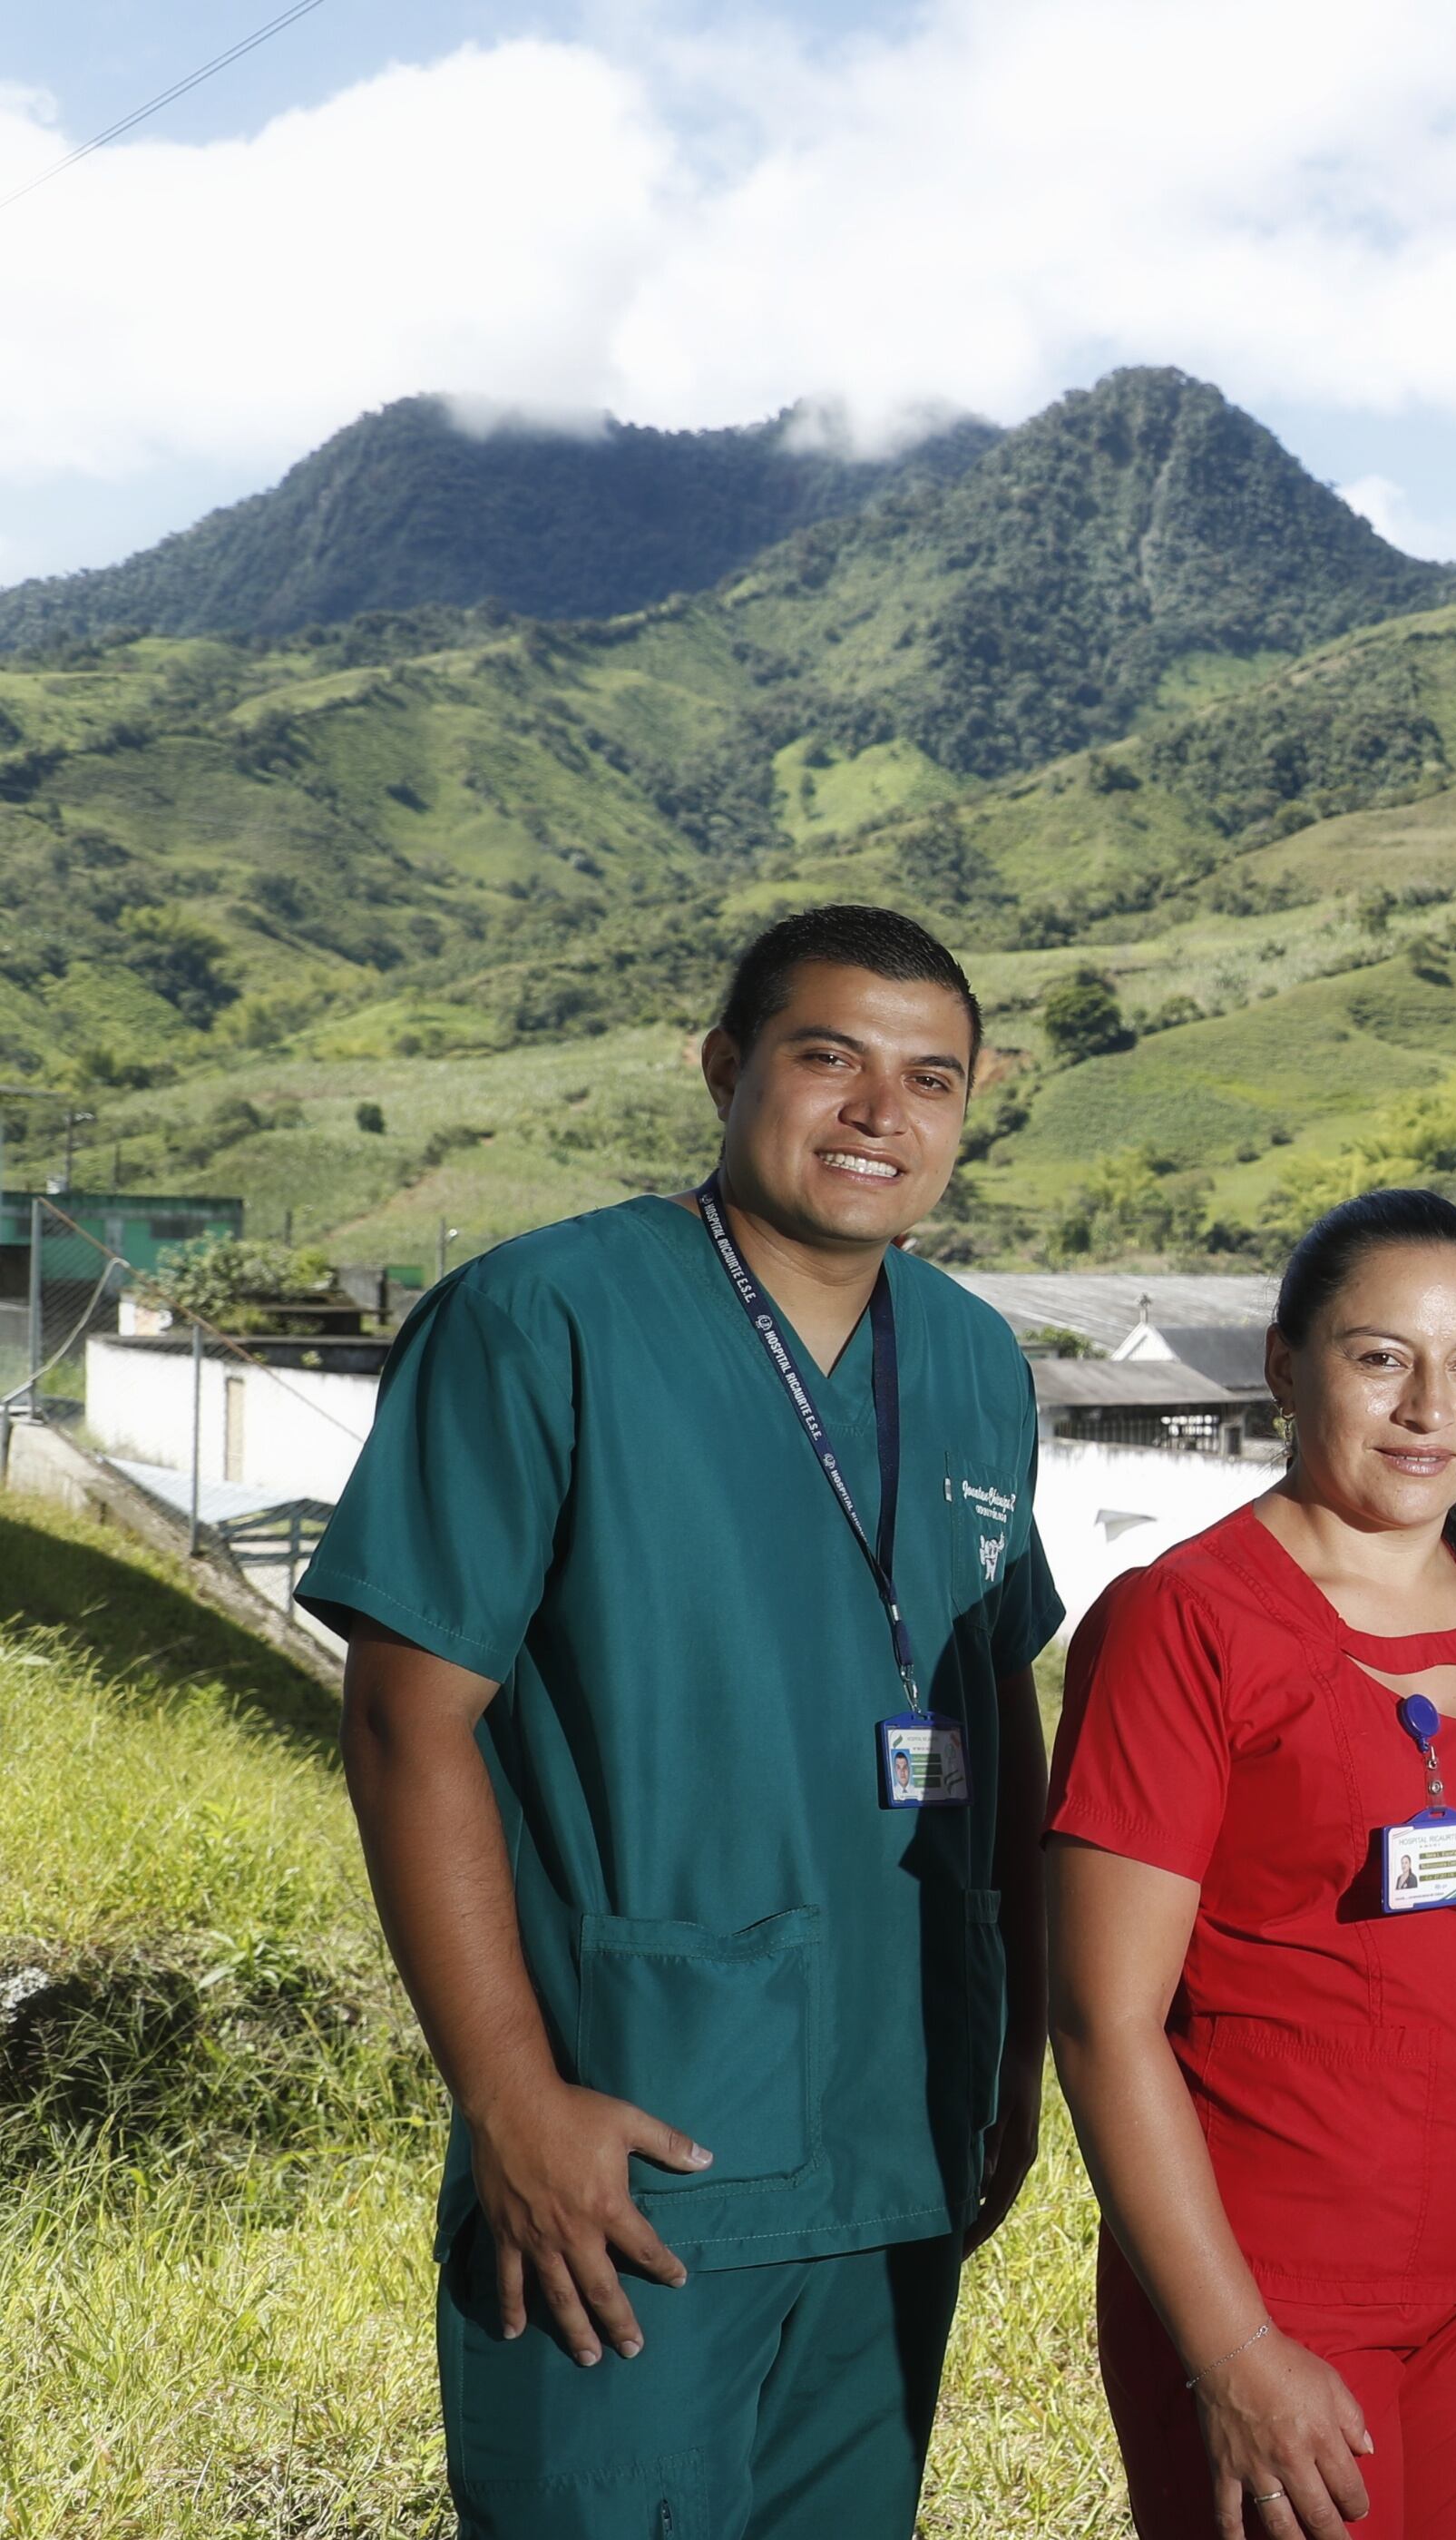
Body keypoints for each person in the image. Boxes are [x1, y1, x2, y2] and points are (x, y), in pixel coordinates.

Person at [306, 905, 1060, 2540]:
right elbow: (401, 1719)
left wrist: (1020, 2049)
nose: (881, 1112)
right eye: (828, 1058)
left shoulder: (976, 1363)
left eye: (930, 1078)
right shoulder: (540, 1323)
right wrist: (511, 2099)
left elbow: (1000, 1712)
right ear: (727, 1070)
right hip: (629, 2148)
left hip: (899, 2118)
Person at [1045, 1188, 1456, 2540]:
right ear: (1285, 1366)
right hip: (1275, 2281)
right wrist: (1234, 2353)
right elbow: (1100, 2018)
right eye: (1381, 1359)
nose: (1431, 1406)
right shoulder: (1185, 1621)